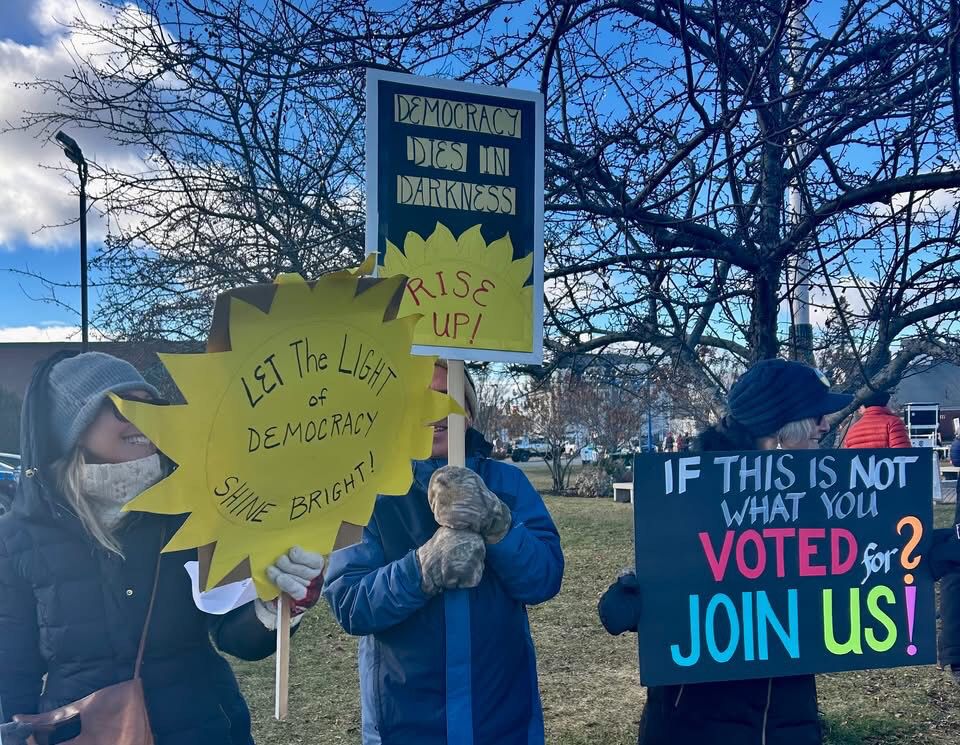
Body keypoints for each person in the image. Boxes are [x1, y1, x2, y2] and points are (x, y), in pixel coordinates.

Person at [598, 359, 960, 745]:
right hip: (696, 720)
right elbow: (674, 585)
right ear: (779, 429)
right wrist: (637, 597)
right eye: (816, 414)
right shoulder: (691, 495)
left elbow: (860, 561)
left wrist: (927, 550)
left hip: (786, 717)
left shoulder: (820, 498)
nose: (826, 424)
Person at [0, 351, 326, 745]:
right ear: (71, 425)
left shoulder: (194, 510)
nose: (146, 419)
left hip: (205, 728)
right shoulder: (19, 536)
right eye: (124, 406)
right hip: (80, 733)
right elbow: (13, 667)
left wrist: (275, 609)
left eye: (154, 406)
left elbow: (234, 635)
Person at [323, 361, 564, 745]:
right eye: (419, 398)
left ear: (468, 412)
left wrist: (498, 526)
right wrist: (422, 570)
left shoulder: (508, 483)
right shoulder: (365, 491)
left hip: (501, 717)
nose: (434, 411)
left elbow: (545, 578)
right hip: (406, 721)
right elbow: (350, 603)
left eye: (445, 396)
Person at [842, 390, 911, 449]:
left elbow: (848, 460)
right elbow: (903, 456)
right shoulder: (894, 423)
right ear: (886, 403)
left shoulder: (852, 430)